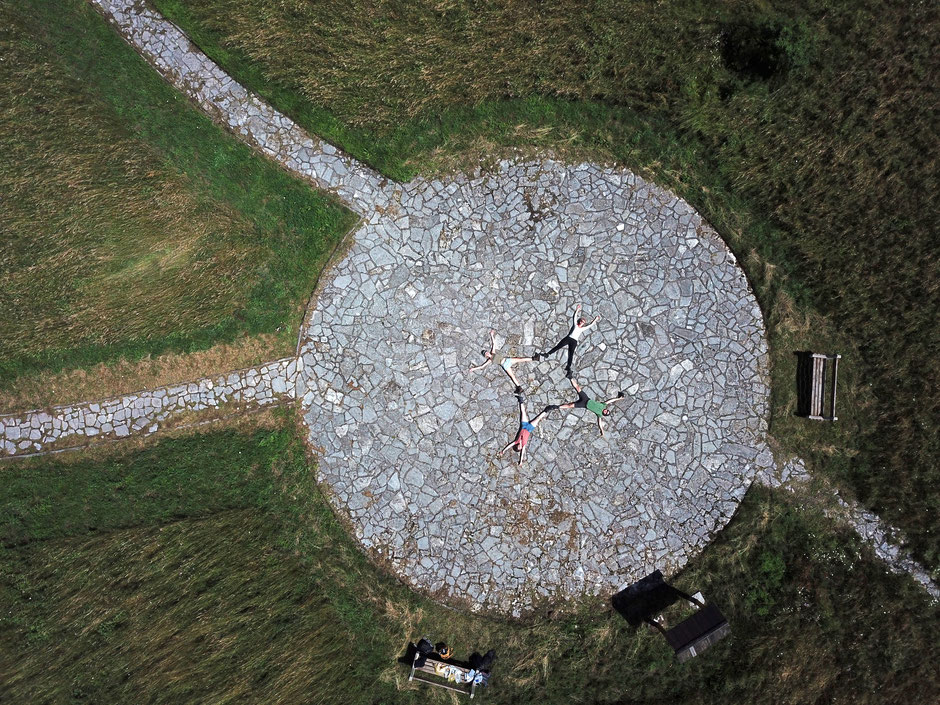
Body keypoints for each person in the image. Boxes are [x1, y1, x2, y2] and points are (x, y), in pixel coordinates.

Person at [550, 377, 627, 437]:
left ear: (604, 414)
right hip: (586, 399)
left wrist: (602, 431)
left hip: (584, 405)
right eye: (607, 411)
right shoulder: (603, 405)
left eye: (606, 413)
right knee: (578, 388)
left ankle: (556, 407)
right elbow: (610, 400)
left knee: (570, 405)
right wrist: (618, 398)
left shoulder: (599, 414)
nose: (606, 411)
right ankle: (570, 377)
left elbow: (599, 423)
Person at [540, 303, 599, 378]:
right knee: (558, 346)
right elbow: (574, 317)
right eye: (581, 321)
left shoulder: (582, 329)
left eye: (583, 322)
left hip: (574, 341)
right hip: (569, 338)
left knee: (571, 354)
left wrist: (595, 319)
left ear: (583, 324)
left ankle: (568, 366)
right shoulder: (575, 324)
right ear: (579, 321)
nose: (582, 322)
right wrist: (577, 309)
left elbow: (590, 325)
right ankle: (547, 354)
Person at [468, 329, 539, 387]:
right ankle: (519, 387)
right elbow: (482, 366)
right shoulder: (490, 360)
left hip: (508, 360)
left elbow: (494, 344)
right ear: (486, 356)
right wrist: (474, 369)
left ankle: (534, 358)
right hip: (505, 365)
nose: (486, 353)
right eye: (485, 354)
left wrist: (491, 335)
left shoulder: (493, 352)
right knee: (512, 376)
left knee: (520, 359)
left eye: (486, 352)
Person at [497, 389, 548, 466]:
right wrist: (520, 461)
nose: (520, 447)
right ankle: (547, 409)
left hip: (523, 425)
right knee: (538, 418)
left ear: (517, 446)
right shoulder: (523, 445)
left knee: (523, 412)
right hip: (529, 428)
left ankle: (520, 399)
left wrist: (503, 451)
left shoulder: (516, 442)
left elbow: (509, 445)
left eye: (518, 447)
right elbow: (522, 453)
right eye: (520, 448)